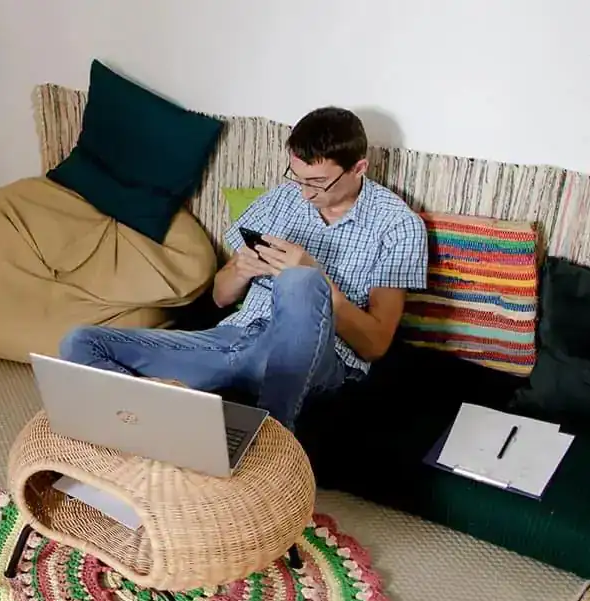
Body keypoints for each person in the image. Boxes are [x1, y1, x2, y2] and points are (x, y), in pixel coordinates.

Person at [59, 107, 428, 430]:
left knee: (300, 283)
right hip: (232, 340)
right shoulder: (282, 199)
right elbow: (220, 296)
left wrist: (315, 277)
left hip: (315, 356)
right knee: (80, 341)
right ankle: (166, 424)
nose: (303, 192)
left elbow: (376, 344)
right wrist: (241, 270)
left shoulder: (397, 224)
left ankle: (272, 440)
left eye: (317, 183)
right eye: (297, 177)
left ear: (358, 168)